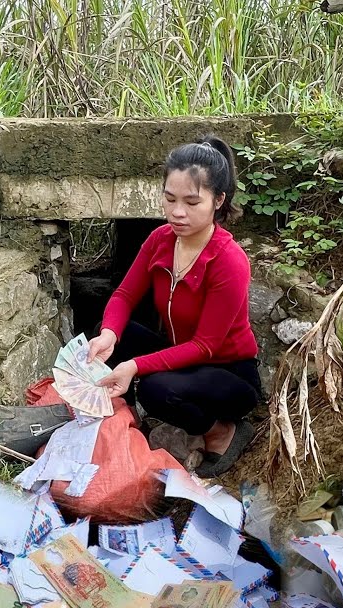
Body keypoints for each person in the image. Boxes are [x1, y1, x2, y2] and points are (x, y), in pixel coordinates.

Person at [88, 135, 260, 477]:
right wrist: (109, 334)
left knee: (154, 389)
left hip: (227, 373)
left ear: (218, 200)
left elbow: (206, 346)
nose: (177, 212)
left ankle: (222, 432)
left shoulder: (228, 260)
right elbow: (124, 295)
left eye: (192, 202)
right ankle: (120, 415)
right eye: (170, 199)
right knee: (109, 337)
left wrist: (136, 366)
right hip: (180, 353)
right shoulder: (160, 240)